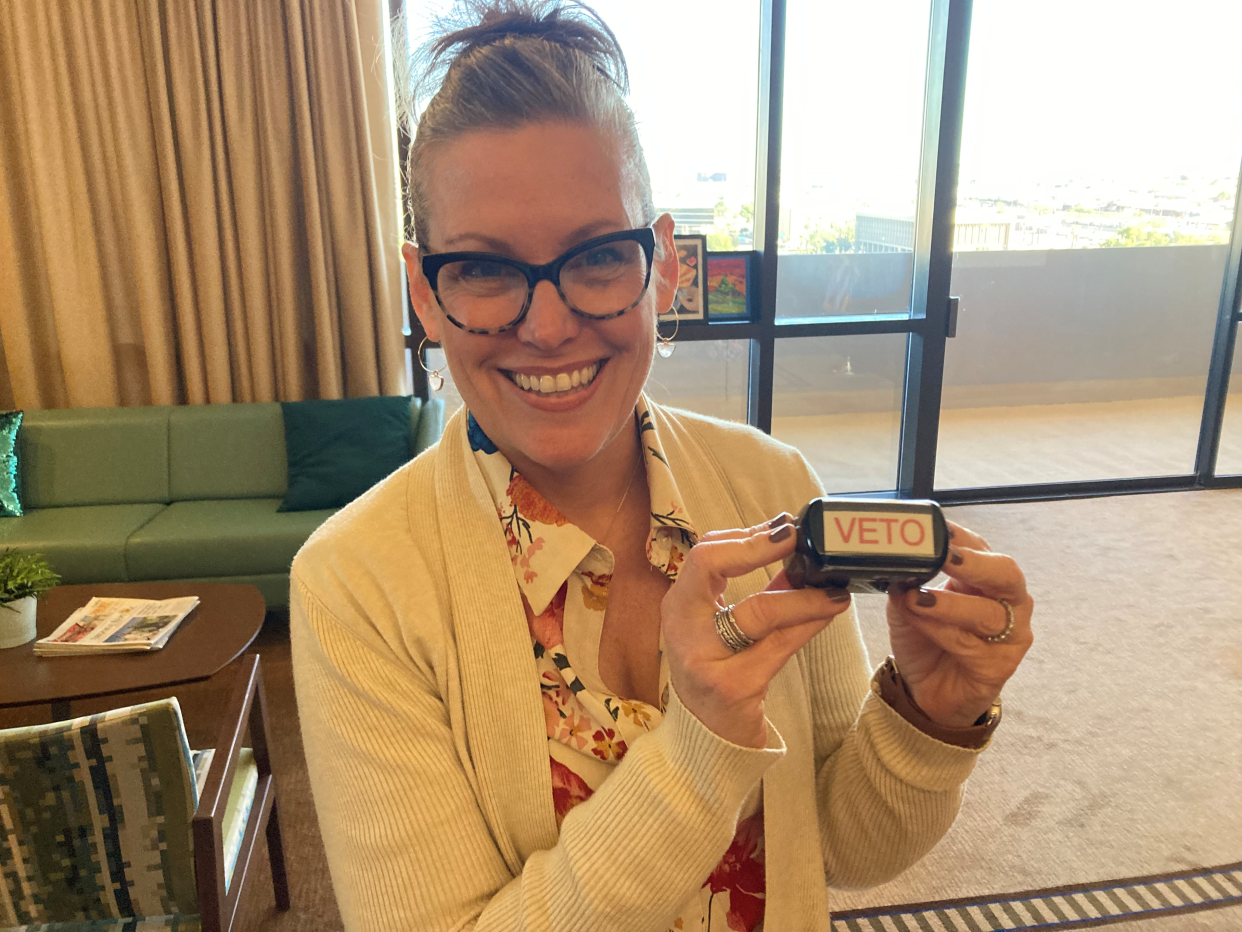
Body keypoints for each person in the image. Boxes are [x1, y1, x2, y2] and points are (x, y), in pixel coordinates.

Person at [288, 3, 1034, 930]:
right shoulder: (357, 583)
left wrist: (931, 715)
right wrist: (704, 747)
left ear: (665, 265)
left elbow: (845, 848)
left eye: (598, 257)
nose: (549, 325)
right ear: (422, 292)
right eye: (483, 269)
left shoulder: (771, 487)